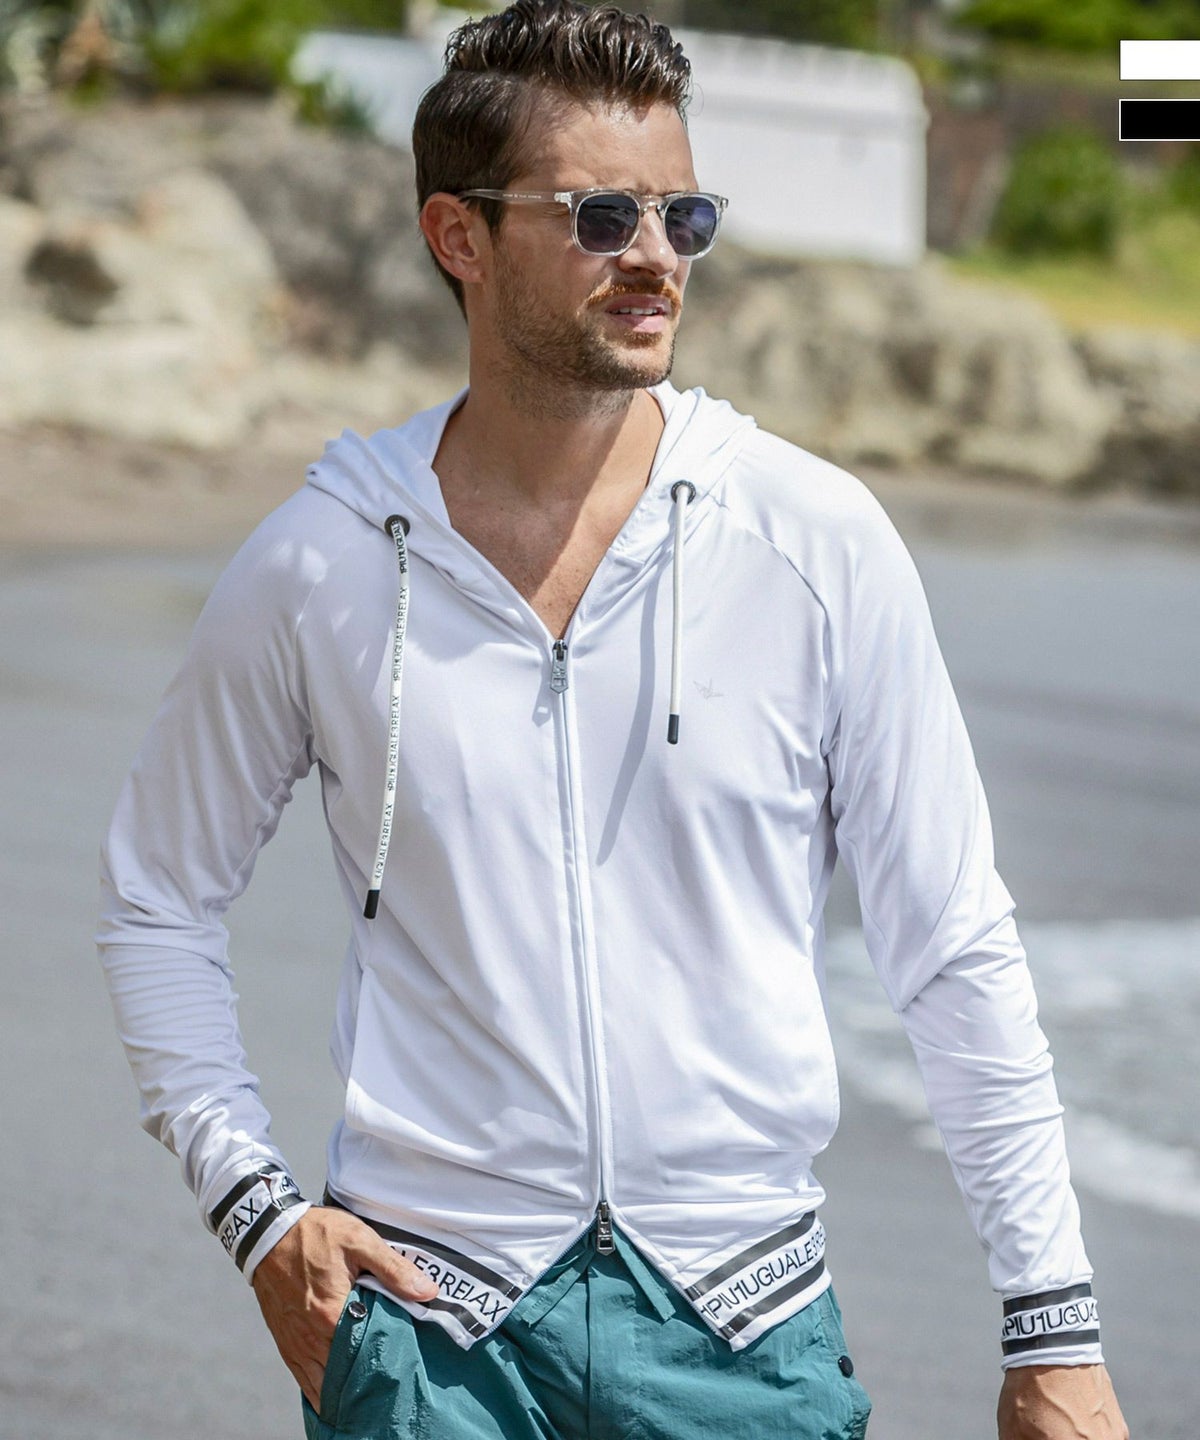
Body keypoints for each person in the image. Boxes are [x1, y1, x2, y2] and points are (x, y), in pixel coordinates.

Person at [97, 3, 1129, 1437]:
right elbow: (157, 897)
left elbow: (951, 941)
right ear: (459, 236)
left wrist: (1053, 1323)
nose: (655, 255)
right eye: (600, 216)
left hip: (743, 1333)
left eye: (682, 214)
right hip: (430, 1338)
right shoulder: (323, 562)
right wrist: (256, 1213)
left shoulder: (813, 542)